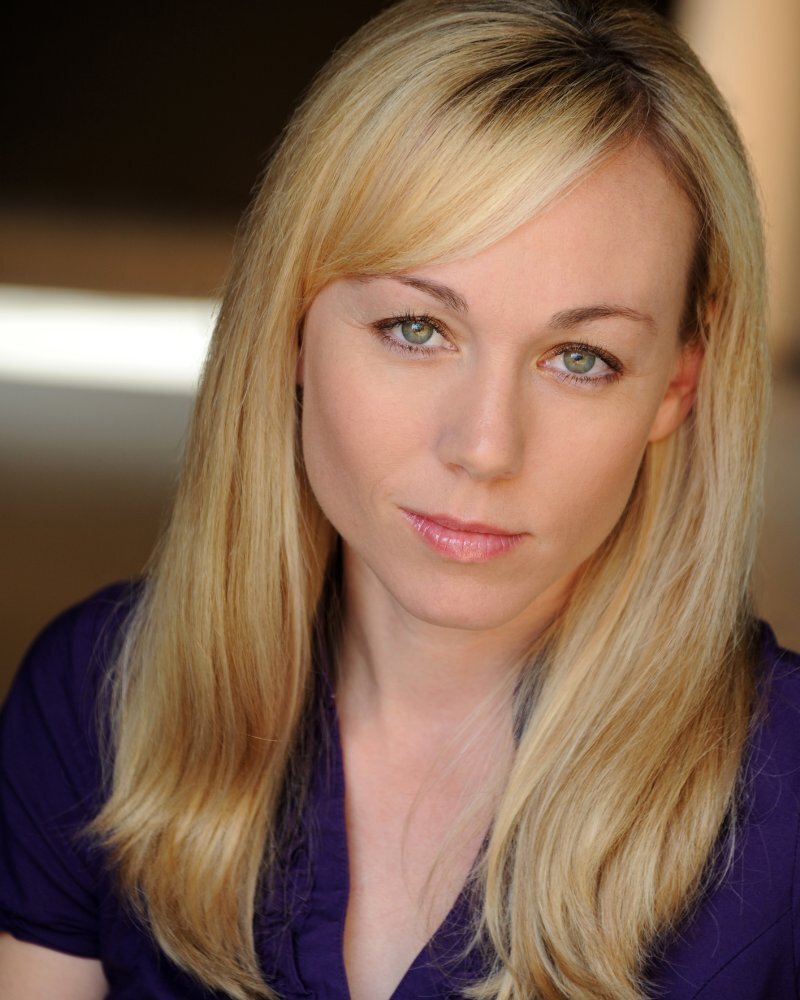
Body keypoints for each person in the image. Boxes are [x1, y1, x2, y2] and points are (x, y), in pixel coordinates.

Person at [1, 1, 797, 998]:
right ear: (291, 322)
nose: (484, 447)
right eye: (417, 329)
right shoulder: (97, 701)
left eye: (580, 357)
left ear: (676, 382)